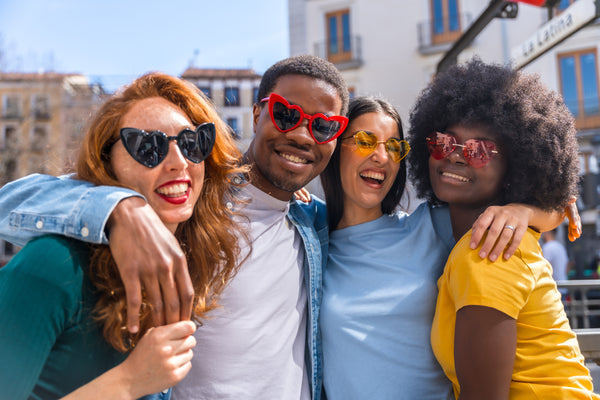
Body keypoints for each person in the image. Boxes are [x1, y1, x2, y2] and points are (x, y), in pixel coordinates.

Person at [0, 55, 349, 400]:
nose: (303, 135)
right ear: (258, 114)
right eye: (286, 115)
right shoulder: (187, 206)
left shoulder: (312, 221)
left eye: (323, 126)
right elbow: (12, 199)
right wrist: (117, 206)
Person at [313, 96, 580, 400]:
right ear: (334, 150)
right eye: (364, 141)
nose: (381, 157)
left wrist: (523, 211)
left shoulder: (430, 225)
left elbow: (558, 207)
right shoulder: (309, 243)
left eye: (394, 147)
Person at [0, 72, 248, 398]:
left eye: (191, 143)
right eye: (148, 146)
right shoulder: (54, 265)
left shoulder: (181, 271)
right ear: (107, 164)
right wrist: (127, 382)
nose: (178, 162)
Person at [407, 60, 598, 398]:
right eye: (444, 142)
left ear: (517, 168)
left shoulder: (487, 250)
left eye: (479, 151)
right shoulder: (500, 233)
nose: (456, 157)